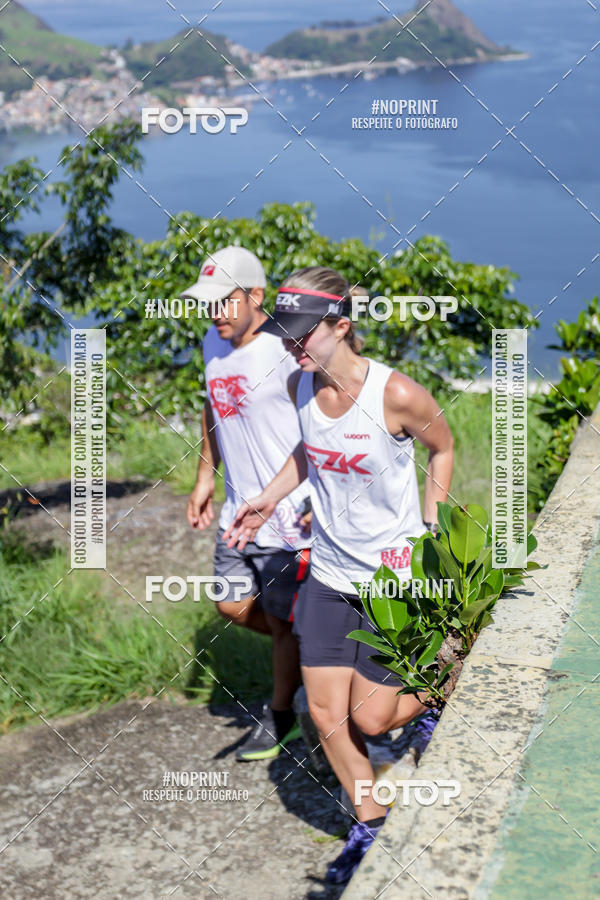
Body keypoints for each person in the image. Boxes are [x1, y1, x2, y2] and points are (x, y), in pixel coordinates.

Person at [223, 266, 454, 881]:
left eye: (302, 332)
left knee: (372, 718)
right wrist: (268, 499)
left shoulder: (395, 394)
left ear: (342, 326)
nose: (290, 344)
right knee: (327, 715)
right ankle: (370, 825)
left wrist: (432, 526)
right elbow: (307, 450)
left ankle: (443, 686)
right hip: (328, 574)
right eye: (285, 332)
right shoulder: (300, 384)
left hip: (388, 579)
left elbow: (443, 447)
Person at [184, 246, 312, 761]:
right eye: (208, 302)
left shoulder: (287, 347)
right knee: (231, 604)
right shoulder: (212, 343)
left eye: (225, 301)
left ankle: (282, 716)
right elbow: (211, 407)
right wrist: (204, 476)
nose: (214, 312)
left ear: (256, 296)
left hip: (288, 514)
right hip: (238, 508)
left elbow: (323, 417)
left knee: (281, 621)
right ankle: (311, 647)